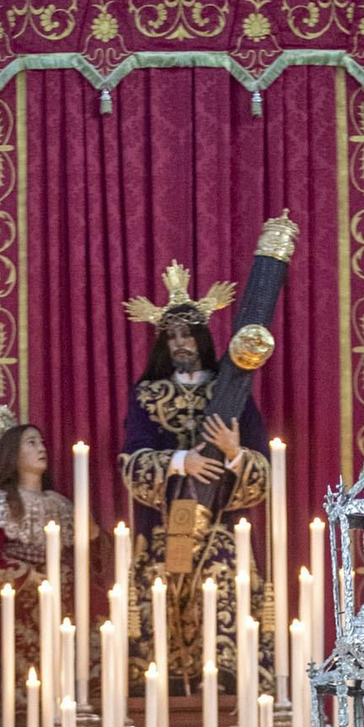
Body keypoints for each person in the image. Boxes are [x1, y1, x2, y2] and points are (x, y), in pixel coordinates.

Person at [119, 266, 268, 693]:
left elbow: (263, 465)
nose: (181, 343)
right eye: (172, 336)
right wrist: (181, 461)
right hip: (167, 523)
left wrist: (234, 452)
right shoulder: (147, 395)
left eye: (188, 335)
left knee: (223, 578)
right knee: (160, 589)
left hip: (220, 523)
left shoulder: (231, 391)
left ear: (201, 339)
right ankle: (162, 679)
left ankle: (222, 675)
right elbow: (131, 459)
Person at [0, 418, 75, 710]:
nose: (42, 448)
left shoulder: (60, 504)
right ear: (13, 456)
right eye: (32, 442)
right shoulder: (3, 503)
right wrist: (28, 577)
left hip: (61, 603)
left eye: (41, 442)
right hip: (19, 605)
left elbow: (83, 556)